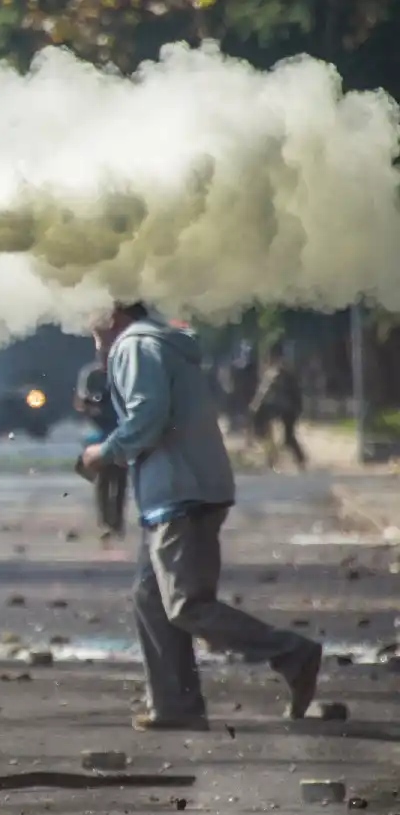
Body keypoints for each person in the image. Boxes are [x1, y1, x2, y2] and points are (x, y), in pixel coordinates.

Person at [80, 301, 323, 732]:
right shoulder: (160, 342)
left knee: (187, 606)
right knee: (150, 600)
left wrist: (105, 452)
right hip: (178, 491)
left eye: (97, 335)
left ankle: (292, 653)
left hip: (179, 493)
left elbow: (147, 417)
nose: (98, 347)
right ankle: (175, 707)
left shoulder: (135, 345)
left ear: (113, 316)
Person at [74, 359, 126, 539]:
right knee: (104, 478)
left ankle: (116, 522)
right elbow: (82, 401)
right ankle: (106, 522)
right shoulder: (92, 375)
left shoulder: (123, 371)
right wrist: (91, 406)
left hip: (119, 429)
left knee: (120, 478)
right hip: (99, 431)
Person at [250, 341, 306, 470]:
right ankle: (275, 459)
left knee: (286, 437)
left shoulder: (277, 371)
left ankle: (292, 460)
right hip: (288, 407)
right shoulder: (282, 370)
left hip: (287, 408)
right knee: (285, 436)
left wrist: (256, 405)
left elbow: (265, 391)